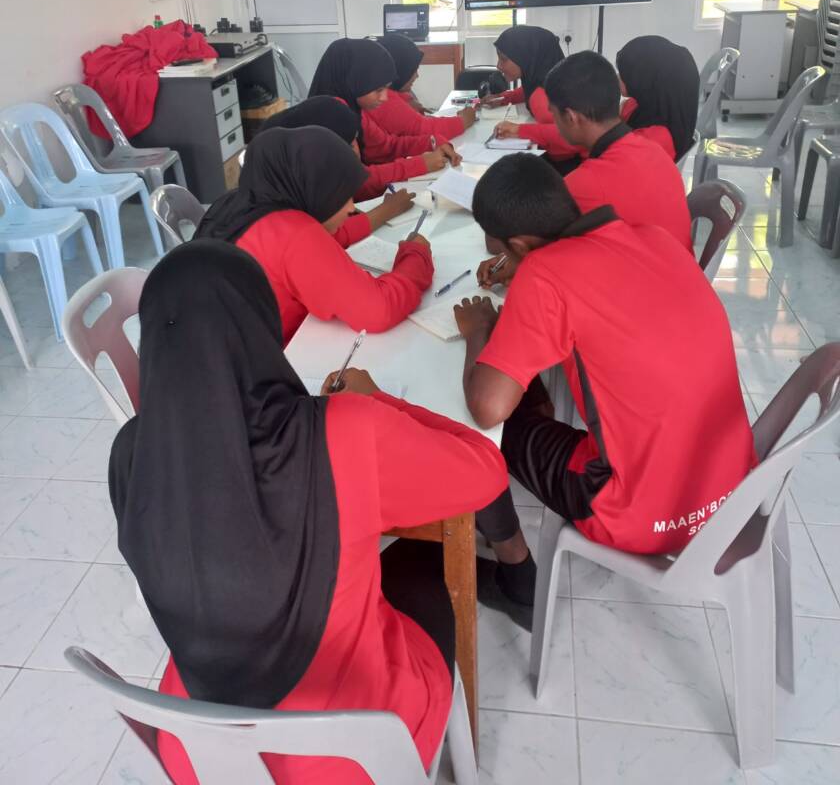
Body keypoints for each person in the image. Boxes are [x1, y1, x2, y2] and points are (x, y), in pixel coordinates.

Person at [109, 242, 507, 785]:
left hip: (201, 754)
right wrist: (376, 401)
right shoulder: (341, 431)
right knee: (421, 561)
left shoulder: (129, 454)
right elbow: (485, 472)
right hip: (350, 754)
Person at [457, 153, 755, 618]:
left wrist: (479, 330)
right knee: (532, 394)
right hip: (734, 492)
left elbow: (486, 407)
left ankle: (515, 575)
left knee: (483, 433)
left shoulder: (544, 275)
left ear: (519, 244)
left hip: (640, 513)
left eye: (503, 251)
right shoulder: (653, 237)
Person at [197, 126, 433, 343]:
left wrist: (382, 213)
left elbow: (331, 236)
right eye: (341, 196)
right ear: (315, 190)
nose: (351, 207)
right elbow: (378, 310)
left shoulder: (242, 203)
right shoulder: (294, 234)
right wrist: (416, 255)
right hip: (273, 360)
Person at [542, 51, 692, 250]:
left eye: (553, 114)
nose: (555, 122)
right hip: (678, 264)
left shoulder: (584, 184)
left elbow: (534, 245)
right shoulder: (653, 150)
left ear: (571, 117)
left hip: (647, 269)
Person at [259, 96, 417, 239]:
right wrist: (386, 211)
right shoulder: (279, 209)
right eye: (349, 144)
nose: (356, 151)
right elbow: (325, 238)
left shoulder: (300, 163)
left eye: (355, 140)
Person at [309, 37, 461, 170]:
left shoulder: (355, 111)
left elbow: (387, 146)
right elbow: (359, 182)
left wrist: (432, 142)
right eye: (378, 90)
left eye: (387, 89)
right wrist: (421, 164)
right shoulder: (331, 120)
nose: (385, 98)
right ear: (355, 81)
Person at [481, 25, 579, 163]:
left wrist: (518, 130)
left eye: (503, 59)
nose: (498, 65)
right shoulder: (549, 80)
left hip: (568, 163)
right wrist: (504, 98)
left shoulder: (543, 99)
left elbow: (573, 136)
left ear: (526, 57)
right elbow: (528, 90)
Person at [372, 33, 477, 139]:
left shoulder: (382, 91)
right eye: (413, 70)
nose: (417, 75)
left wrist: (405, 103)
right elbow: (426, 130)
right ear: (401, 70)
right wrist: (463, 121)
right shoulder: (385, 101)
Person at [615, 34, 700, 162]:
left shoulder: (655, 138)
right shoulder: (649, 106)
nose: (618, 76)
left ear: (643, 79)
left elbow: (613, 157)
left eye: (624, 72)